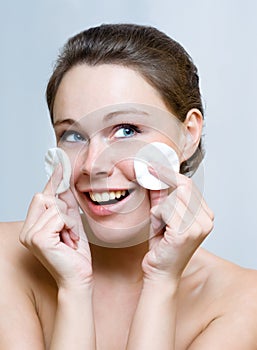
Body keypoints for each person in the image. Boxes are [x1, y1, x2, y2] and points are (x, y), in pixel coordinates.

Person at [1, 23, 257, 350]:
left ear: (189, 133)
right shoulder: (6, 261)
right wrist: (75, 289)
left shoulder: (242, 300)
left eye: (126, 130)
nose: (93, 165)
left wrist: (161, 282)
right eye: (73, 135)